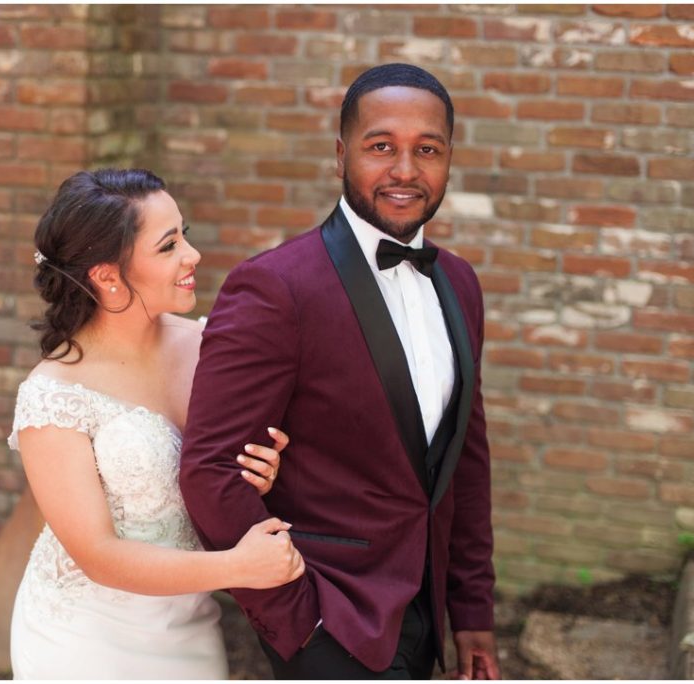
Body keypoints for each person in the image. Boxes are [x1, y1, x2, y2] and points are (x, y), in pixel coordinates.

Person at [180, 63, 499, 679]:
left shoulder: (459, 282)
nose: (405, 170)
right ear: (340, 155)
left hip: (424, 613)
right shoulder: (276, 287)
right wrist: (298, 621)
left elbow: (467, 460)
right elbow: (211, 471)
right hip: (330, 623)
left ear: (450, 158)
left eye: (426, 150)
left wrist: (471, 610)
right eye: (381, 147)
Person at [8, 168, 305, 679]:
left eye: (183, 234)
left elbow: (219, 475)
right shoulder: (53, 396)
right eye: (168, 246)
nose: (192, 255)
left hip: (189, 628)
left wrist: (264, 470)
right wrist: (239, 567)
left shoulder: (211, 346)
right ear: (107, 275)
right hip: (84, 641)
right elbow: (98, 555)